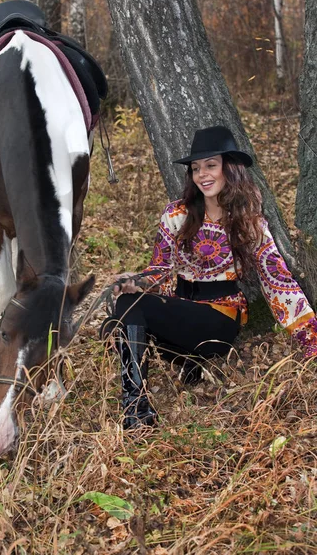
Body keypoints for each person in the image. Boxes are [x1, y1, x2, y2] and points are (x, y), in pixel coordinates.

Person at [101, 125, 317, 430]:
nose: (202, 174)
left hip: (220, 317)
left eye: (211, 166)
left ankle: (140, 408)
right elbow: (160, 269)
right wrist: (138, 282)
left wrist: (310, 336)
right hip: (179, 309)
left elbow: (276, 279)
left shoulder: (248, 221)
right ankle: (137, 406)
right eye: (196, 168)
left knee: (134, 307)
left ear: (229, 169)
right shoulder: (176, 215)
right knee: (126, 303)